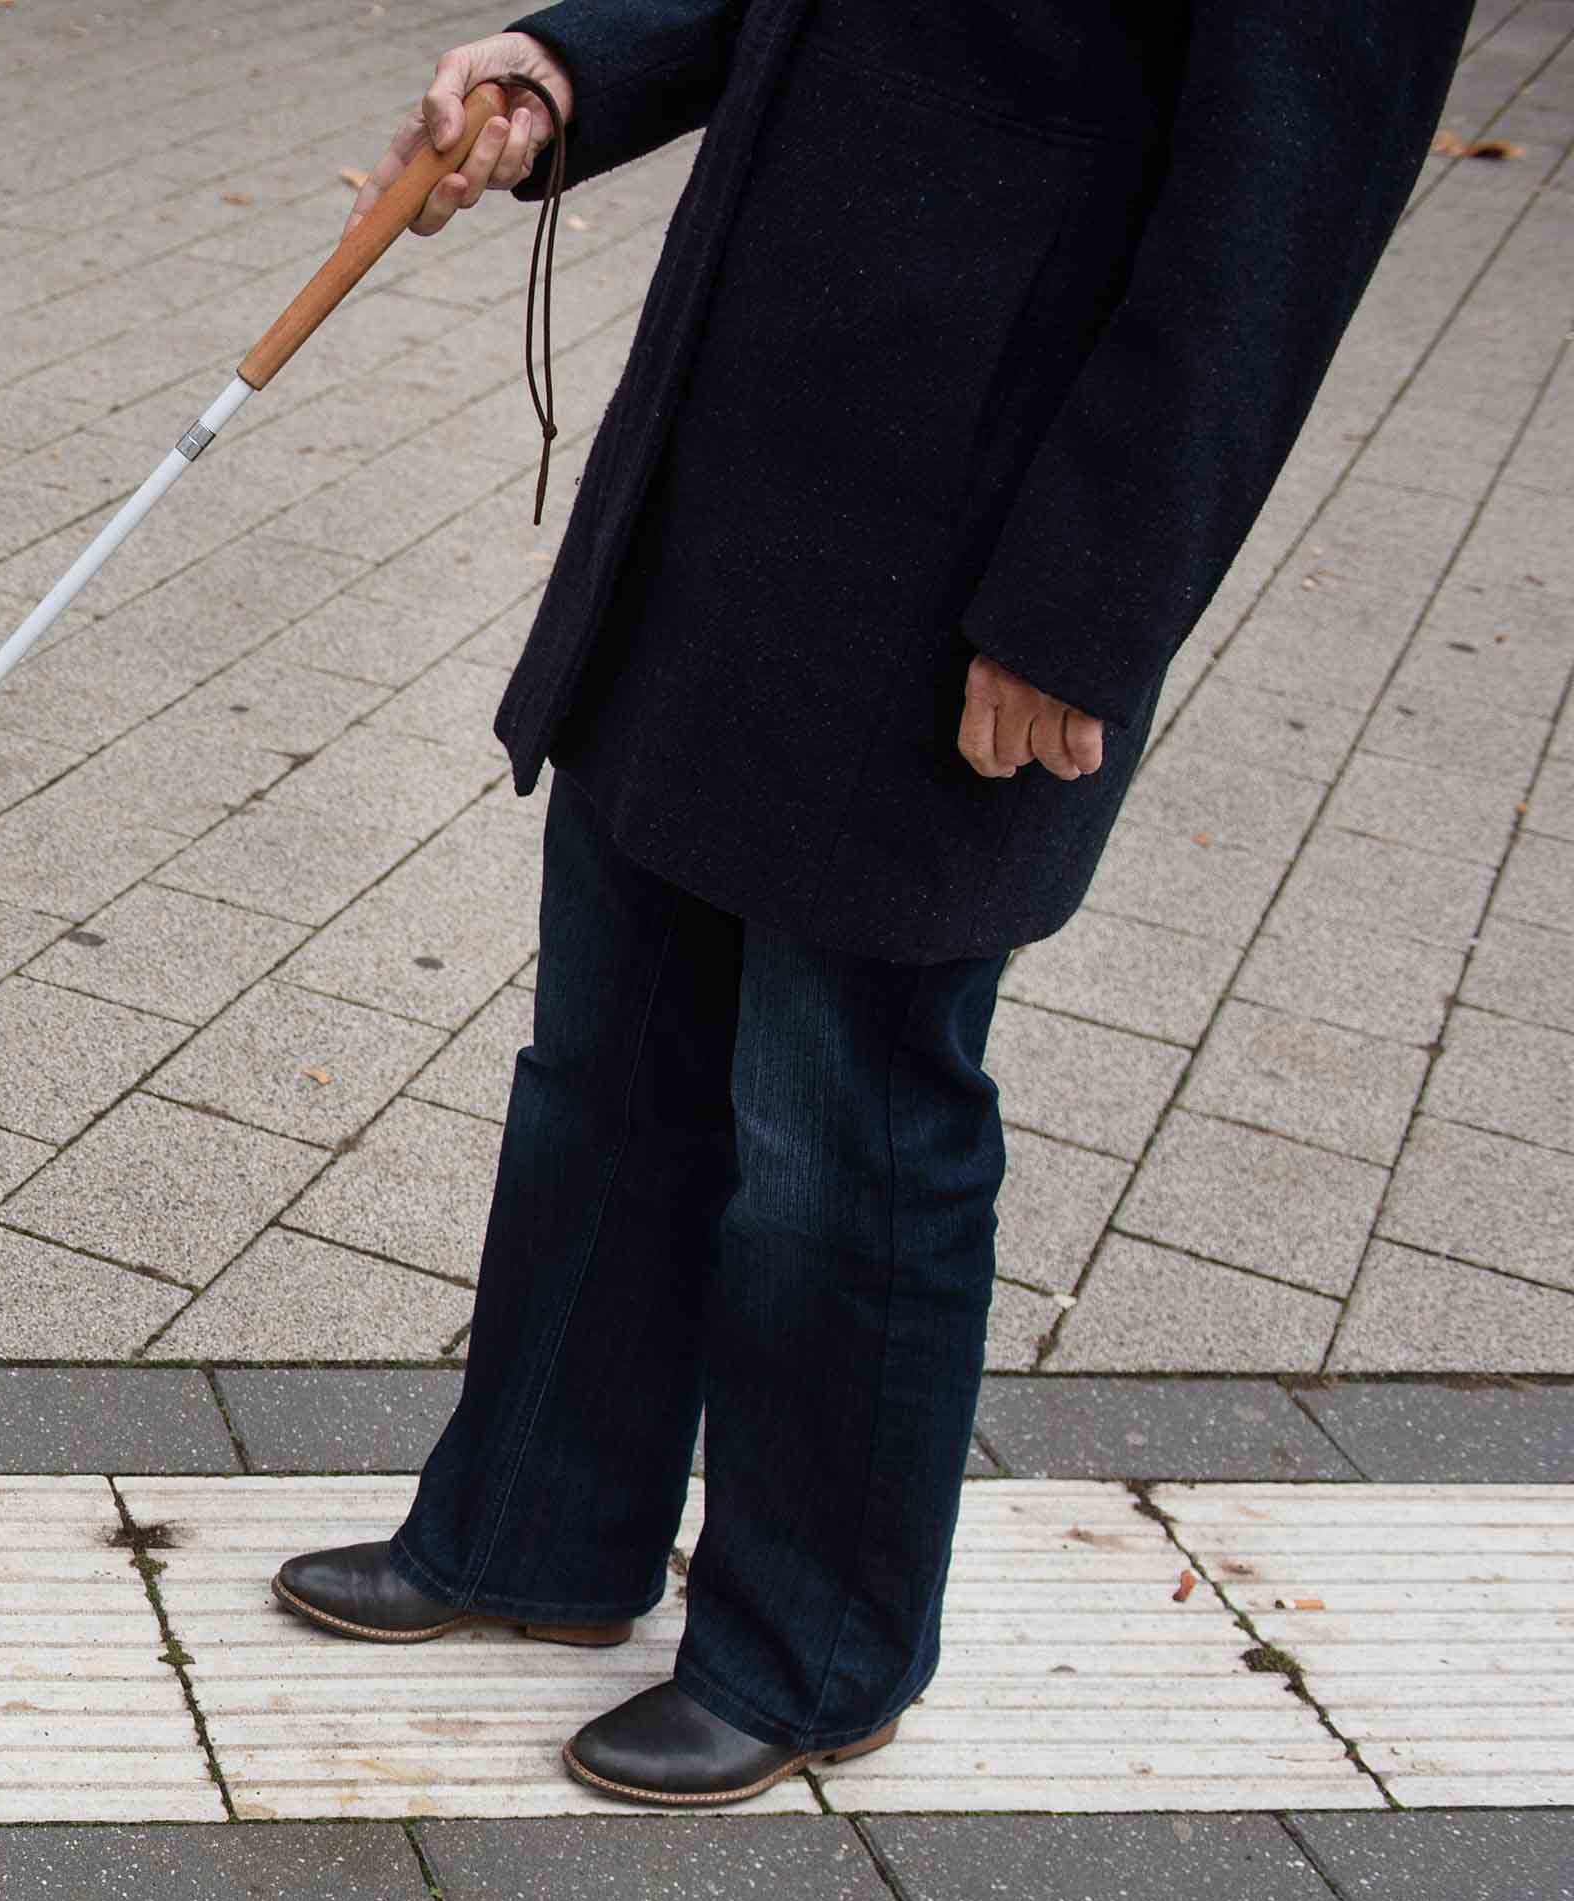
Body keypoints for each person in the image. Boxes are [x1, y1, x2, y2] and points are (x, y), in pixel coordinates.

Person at [271, 0, 1475, 1806]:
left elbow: (1274, 227)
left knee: (848, 1115)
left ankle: (815, 1651)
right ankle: (535, 1525)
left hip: (971, 518)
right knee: (611, 1040)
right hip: (740, 443)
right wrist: (572, 63)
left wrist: (1086, 605)